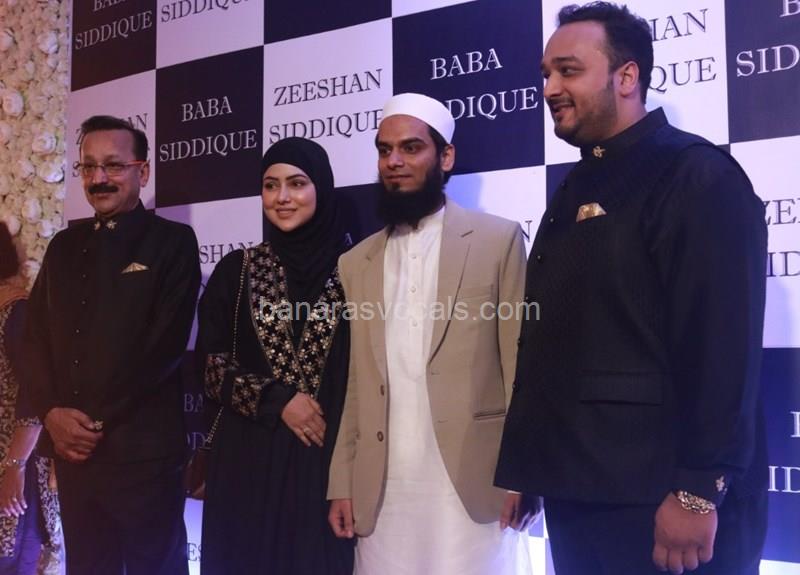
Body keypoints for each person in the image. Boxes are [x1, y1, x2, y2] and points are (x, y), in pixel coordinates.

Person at [495, 3, 768, 575]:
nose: (549, 88)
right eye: (545, 73)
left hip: (662, 508)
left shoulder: (696, 174)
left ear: (626, 76)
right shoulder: (577, 182)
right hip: (582, 494)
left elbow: (723, 348)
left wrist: (697, 490)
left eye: (568, 71)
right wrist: (535, 467)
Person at [327, 93, 536, 575]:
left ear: (446, 156)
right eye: (384, 150)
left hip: (476, 483)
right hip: (383, 487)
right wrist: (342, 480)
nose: (394, 161)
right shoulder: (356, 262)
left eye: (411, 148)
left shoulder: (497, 240)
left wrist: (525, 473)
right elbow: (357, 382)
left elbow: (520, 367)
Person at [20, 115, 200, 575]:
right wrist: (52, 414)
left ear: (143, 172)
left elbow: (163, 347)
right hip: (75, 458)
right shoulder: (63, 246)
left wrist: (89, 423)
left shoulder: (172, 242)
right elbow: (32, 337)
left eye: (114, 166)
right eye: (89, 166)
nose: (99, 178)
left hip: (144, 457)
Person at [198, 137, 354, 575]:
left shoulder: (357, 269)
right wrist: (279, 400)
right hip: (248, 462)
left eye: (297, 183)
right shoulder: (239, 270)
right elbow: (210, 367)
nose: (282, 197)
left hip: (326, 466)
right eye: (270, 186)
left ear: (322, 187)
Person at [0, 223, 61, 574]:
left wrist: (14, 467)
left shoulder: (17, 310)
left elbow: (35, 395)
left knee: (12, 560)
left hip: (15, 464)